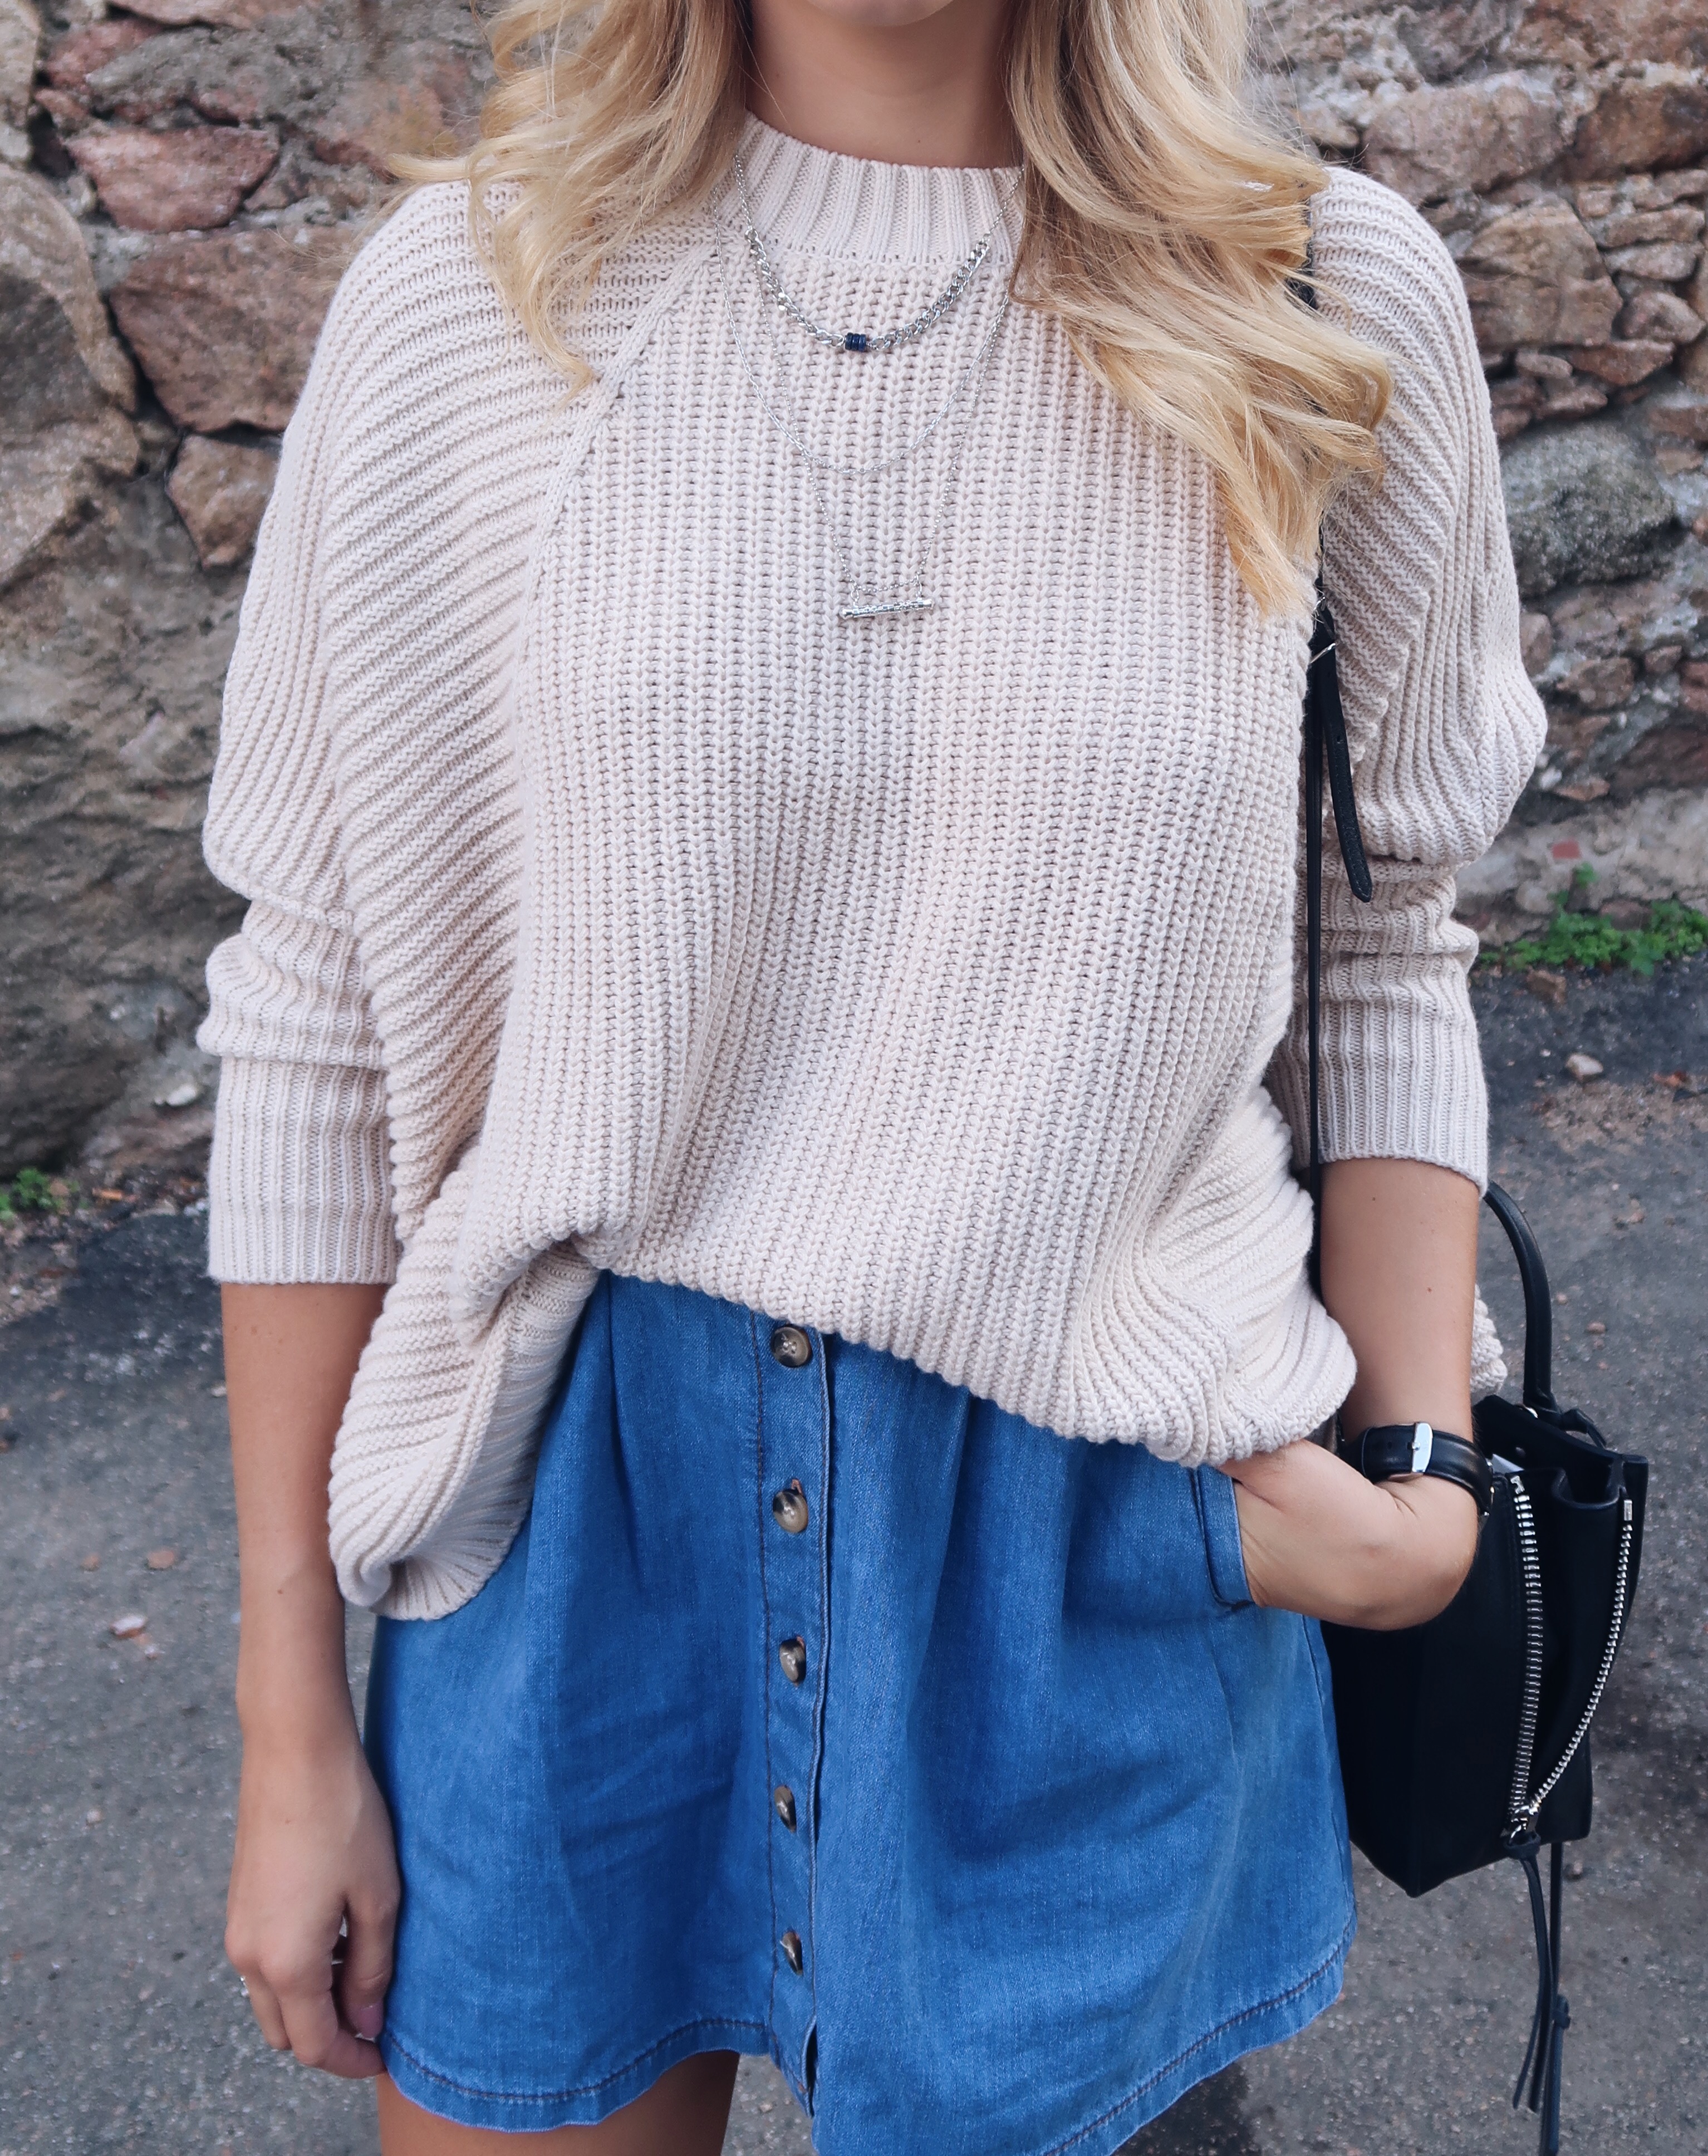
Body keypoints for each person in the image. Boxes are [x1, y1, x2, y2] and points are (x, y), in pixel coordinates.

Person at [203, 0, 1545, 2147]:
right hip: (576, 1510)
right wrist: (292, 1718)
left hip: (1103, 1511)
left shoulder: (1313, 293)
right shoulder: (473, 294)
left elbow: (1384, 946)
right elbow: (318, 1009)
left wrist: (1420, 1505)